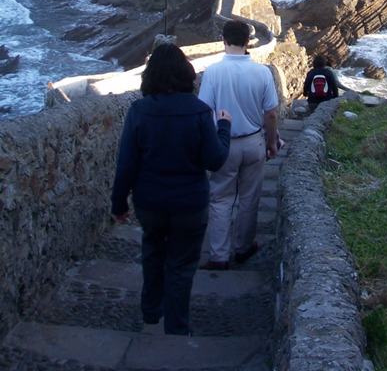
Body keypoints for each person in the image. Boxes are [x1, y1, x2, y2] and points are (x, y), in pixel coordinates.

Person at [111, 42, 232, 335]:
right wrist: (224, 127)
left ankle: (151, 313)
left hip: (150, 202)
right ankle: (176, 326)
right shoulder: (200, 112)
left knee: (152, 254)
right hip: (190, 204)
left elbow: (126, 162)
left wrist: (118, 205)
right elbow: (215, 160)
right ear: (186, 74)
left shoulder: (139, 110)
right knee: (182, 263)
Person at [199, 19, 279, 270]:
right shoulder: (262, 72)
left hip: (223, 144)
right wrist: (272, 142)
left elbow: (204, 110)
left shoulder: (213, 72)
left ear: (224, 40)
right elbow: (272, 113)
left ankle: (219, 256)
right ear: (247, 42)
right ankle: (243, 247)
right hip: (254, 142)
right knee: (249, 198)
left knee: (221, 198)